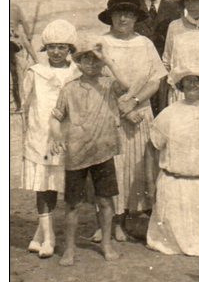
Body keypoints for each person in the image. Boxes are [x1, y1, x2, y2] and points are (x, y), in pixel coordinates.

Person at [50, 35, 129, 265]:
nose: (91, 65)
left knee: (105, 201)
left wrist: (109, 61)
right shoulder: (69, 89)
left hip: (103, 150)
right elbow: (55, 117)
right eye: (86, 60)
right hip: (76, 153)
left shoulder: (108, 84)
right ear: (78, 63)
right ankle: (70, 249)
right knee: (73, 204)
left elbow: (126, 85)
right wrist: (56, 136)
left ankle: (106, 243)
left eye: (96, 61)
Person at [97, 0, 169, 239]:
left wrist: (135, 101)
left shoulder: (145, 43)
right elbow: (99, 81)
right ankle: (110, 221)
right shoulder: (102, 44)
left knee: (138, 167)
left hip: (140, 112)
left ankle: (130, 217)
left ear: (136, 17)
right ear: (111, 17)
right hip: (111, 113)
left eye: (128, 14)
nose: (123, 19)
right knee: (112, 168)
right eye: (119, 14)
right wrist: (122, 108)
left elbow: (156, 80)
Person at [146, 67, 199, 257]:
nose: (193, 85)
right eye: (188, 80)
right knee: (169, 243)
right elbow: (151, 148)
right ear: (181, 85)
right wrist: (150, 184)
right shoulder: (169, 113)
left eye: (198, 80)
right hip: (175, 186)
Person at [20, 19, 78, 258]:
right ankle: (49, 237)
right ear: (45, 48)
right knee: (44, 187)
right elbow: (24, 104)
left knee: (66, 186)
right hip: (41, 137)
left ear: (70, 49)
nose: (56, 52)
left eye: (62, 47)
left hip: (69, 137)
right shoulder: (35, 72)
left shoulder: (77, 72)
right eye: (52, 47)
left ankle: (39, 235)